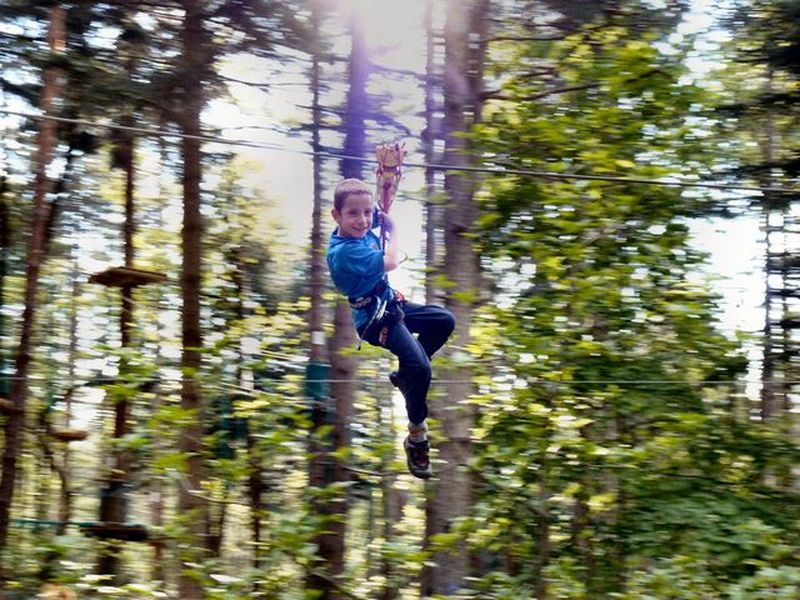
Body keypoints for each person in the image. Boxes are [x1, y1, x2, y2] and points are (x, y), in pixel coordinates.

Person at [326, 178, 455, 479]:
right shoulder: (345, 252)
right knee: (422, 369)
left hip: (390, 306)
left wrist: (381, 206)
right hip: (376, 321)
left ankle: (405, 375)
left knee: (443, 320)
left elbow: (372, 226)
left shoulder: (359, 233)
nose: (363, 220)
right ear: (337, 216)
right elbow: (391, 261)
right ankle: (417, 436)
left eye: (367, 212)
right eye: (353, 214)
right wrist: (393, 228)